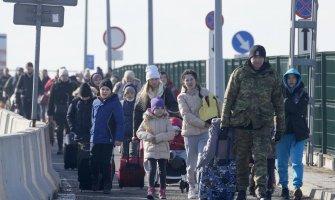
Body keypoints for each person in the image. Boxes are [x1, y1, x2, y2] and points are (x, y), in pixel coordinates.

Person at [220, 45, 285, 200]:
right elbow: (228, 99)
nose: (257, 60)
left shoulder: (272, 76)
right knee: (241, 159)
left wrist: (280, 127)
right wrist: (224, 123)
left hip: (262, 125)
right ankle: (241, 190)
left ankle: (261, 191)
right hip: (241, 124)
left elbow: (279, 103)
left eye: (260, 57)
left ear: (264, 58)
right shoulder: (239, 73)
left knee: (261, 158)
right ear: (250, 58)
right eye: (254, 57)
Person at [177, 69, 211, 199]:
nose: (189, 82)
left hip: (204, 133)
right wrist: (203, 123)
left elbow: (215, 105)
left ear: (196, 80)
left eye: (191, 79)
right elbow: (186, 115)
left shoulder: (205, 92)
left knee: (203, 160)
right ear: (183, 82)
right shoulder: (181, 97)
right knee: (191, 164)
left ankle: (202, 186)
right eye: (187, 80)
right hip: (190, 133)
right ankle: (192, 187)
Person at [277, 68, 309, 200]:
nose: (291, 80)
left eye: (293, 78)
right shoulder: (279, 93)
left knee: (297, 162)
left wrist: (285, 104)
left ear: (297, 79)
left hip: (298, 134)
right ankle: (284, 187)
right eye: (288, 78)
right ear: (285, 79)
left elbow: (298, 109)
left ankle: (297, 187)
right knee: (282, 163)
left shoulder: (303, 94)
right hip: (282, 133)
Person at [136, 97, 175, 199]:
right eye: (157, 108)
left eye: (162, 108)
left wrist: (158, 138)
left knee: (162, 170)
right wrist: (149, 137)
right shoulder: (146, 120)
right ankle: (151, 189)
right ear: (152, 109)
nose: (160, 110)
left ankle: (162, 190)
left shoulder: (166, 120)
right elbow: (139, 132)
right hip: (151, 148)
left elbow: (171, 134)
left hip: (163, 148)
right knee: (152, 169)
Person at [90, 79, 124, 194]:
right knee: (94, 161)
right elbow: (92, 120)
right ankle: (95, 182)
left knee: (105, 163)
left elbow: (120, 122)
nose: (104, 91)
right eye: (102, 89)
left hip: (108, 138)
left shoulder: (115, 103)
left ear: (111, 91)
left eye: (107, 89)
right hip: (95, 138)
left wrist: (118, 138)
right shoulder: (95, 102)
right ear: (99, 90)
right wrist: (91, 133)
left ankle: (106, 184)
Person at [132, 65, 179, 142]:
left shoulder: (165, 91)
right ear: (148, 80)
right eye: (151, 79)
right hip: (148, 129)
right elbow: (137, 113)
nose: (154, 81)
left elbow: (173, 106)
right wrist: (135, 134)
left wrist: (167, 112)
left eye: (156, 79)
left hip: (163, 127)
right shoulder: (143, 94)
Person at [47, 67, 77, 154]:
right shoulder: (55, 85)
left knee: (69, 131)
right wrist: (50, 113)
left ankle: (68, 148)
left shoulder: (72, 85)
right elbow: (51, 100)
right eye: (63, 75)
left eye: (66, 75)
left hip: (70, 111)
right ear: (60, 76)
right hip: (58, 112)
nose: (65, 77)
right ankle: (60, 147)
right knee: (59, 130)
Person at [120, 83, 138, 157]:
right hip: (124, 130)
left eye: (131, 93)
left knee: (134, 152)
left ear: (135, 94)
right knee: (124, 152)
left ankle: (134, 165)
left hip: (134, 131)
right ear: (124, 94)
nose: (129, 95)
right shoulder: (121, 103)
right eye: (127, 93)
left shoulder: (137, 104)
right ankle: (125, 165)